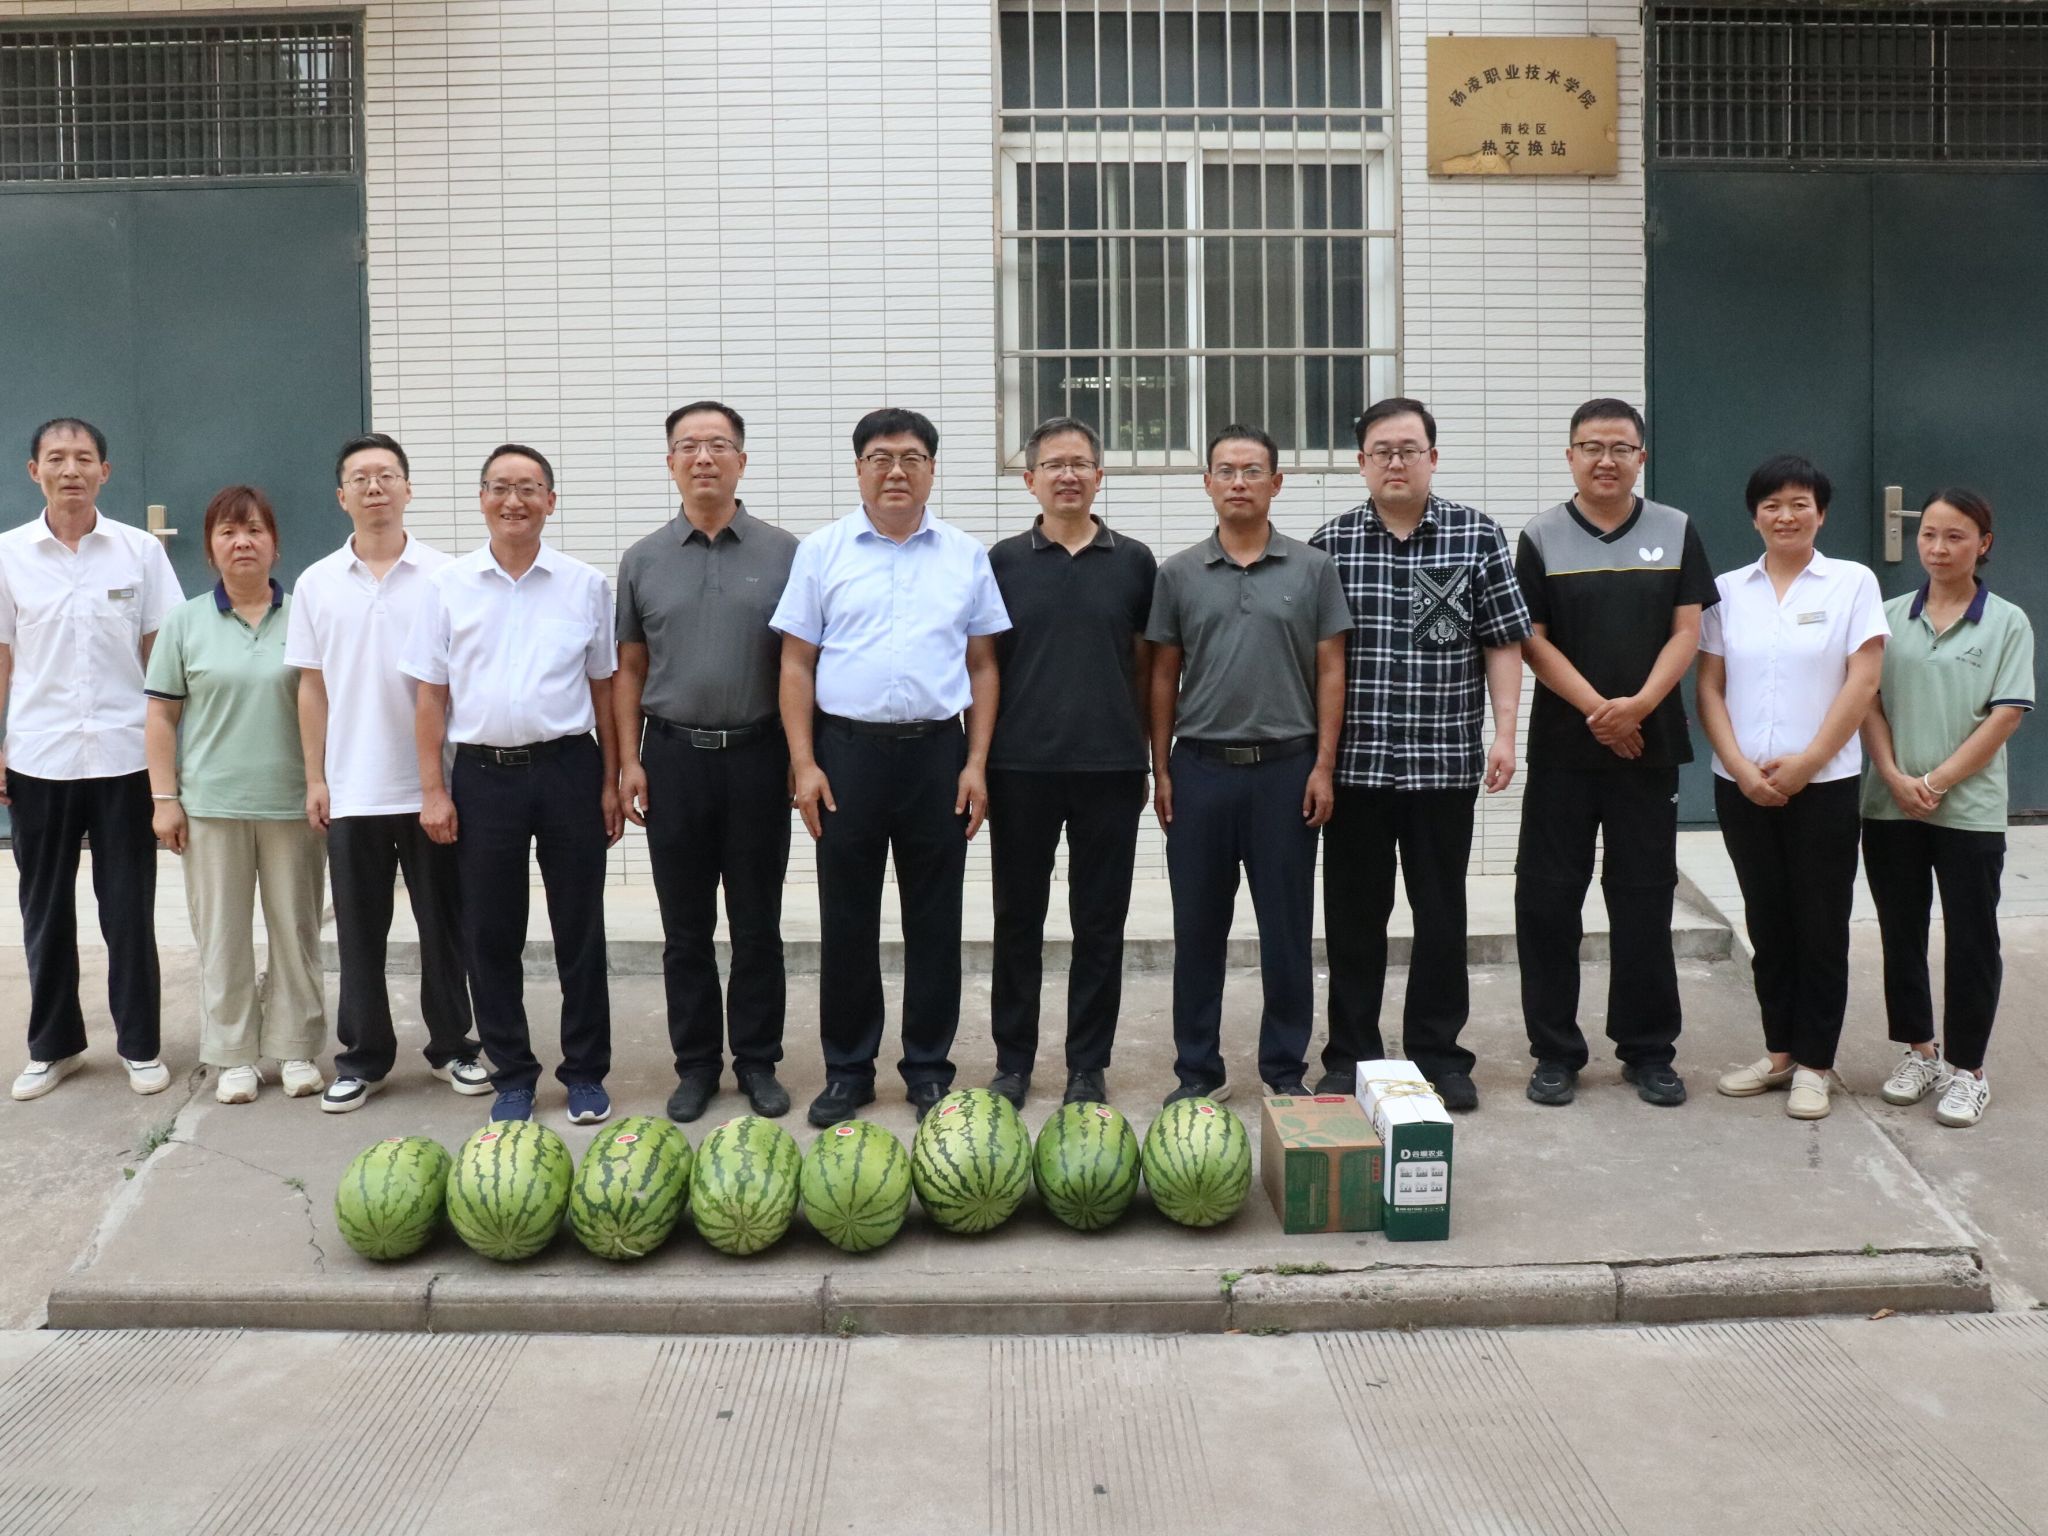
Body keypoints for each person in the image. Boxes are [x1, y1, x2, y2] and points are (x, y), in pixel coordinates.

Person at [772, 407, 1010, 1127]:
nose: (896, 471)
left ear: (932, 469)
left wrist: (976, 762)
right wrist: (804, 763)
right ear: (859, 469)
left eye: (911, 457)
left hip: (937, 754)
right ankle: (848, 1071)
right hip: (846, 756)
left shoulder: (965, 555)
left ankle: (929, 1068)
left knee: (935, 918)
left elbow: (983, 664)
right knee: (847, 918)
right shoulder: (822, 552)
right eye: (880, 457)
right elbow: (796, 662)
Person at [1310, 398, 1530, 1111]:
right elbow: (1318, 661)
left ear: (1433, 457)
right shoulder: (1331, 544)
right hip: (1357, 770)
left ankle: (1439, 1054)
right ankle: (1350, 1054)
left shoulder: (1476, 535)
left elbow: (1502, 641)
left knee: (1441, 917)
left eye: (1409, 449)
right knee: (1353, 920)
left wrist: (1505, 735)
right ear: (1361, 463)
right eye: (1382, 451)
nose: (1396, 462)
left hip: (1443, 766)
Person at [403, 444, 623, 1126]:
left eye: (528, 488)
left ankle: (585, 1072)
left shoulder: (585, 584)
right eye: (500, 487)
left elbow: (605, 687)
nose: (514, 501)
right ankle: (513, 1076)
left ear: (550, 501)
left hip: (569, 769)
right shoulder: (447, 586)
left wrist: (613, 779)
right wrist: (433, 790)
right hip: (482, 777)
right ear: (482, 500)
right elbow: (430, 696)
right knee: (491, 933)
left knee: (579, 927)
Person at [1514, 399, 1717, 1109]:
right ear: (1570, 455)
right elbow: (1531, 639)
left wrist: (1638, 707)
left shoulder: (1676, 529)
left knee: (1643, 899)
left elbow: (1687, 631)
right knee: (1548, 901)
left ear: (1641, 457)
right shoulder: (1540, 535)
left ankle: (1649, 1050)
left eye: (1620, 448)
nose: (1606, 460)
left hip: (1648, 749)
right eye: (1591, 447)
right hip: (1564, 750)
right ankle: (1555, 1052)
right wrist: (1601, 713)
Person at [1147, 424, 1351, 1104]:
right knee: (1198, 930)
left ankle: (1284, 1070)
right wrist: (1162, 769)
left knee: (1287, 930)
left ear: (1276, 482)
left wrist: (1323, 766)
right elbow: (1163, 676)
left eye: (1253, 470)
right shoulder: (1178, 574)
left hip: (1286, 772)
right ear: (1207, 483)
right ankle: (1197, 1071)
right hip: (1200, 771)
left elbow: (1331, 669)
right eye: (1226, 471)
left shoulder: (1313, 569)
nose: (1239, 482)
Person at [288, 433, 488, 1112]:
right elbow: (311, 687)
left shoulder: (449, 575)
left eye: (386, 475)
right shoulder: (316, 583)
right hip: (353, 787)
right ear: (340, 495)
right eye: (360, 478)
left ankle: (452, 1046)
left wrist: (452, 781)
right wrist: (316, 778)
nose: (374, 488)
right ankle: (363, 1057)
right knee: (358, 932)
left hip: (436, 786)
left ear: (408, 488)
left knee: (444, 928)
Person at [616, 401, 799, 1124]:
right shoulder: (643, 560)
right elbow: (630, 668)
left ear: (741, 461)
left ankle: (757, 1061)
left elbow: (802, 664)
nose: (703, 458)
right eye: (688, 446)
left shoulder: (787, 554)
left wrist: (803, 756)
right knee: (685, 930)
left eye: (718, 445)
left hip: (759, 757)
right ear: (670, 463)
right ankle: (695, 1065)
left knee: (757, 924)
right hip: (672, 760)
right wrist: (628, 760)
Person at [1700, 455, 1888, 1120]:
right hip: (1741, 787)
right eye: (1772, 505)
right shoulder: (1727, 591)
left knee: (1820, 924)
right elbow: (1710, 688)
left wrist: (1809, 761)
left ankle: (1816, 1064)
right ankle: (1780, 1052)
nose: (1786, 516)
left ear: (1821, 513)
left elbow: (1864, 680)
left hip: (1825, 786)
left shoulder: (1852, 583)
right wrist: (1739, 767)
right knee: (1767, 920)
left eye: (1799, 503)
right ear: (1754, 516)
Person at [4, 419, 182, 1102]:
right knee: (45, 910)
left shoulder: (139, 552)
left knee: (128, 910)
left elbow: (163, 657)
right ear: (35, 471)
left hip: (124, 757)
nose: (70, 470)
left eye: (84, 458)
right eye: (57, 458)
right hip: (39, 757)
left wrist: (173, 762)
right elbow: (2, 658)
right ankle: (54, 1047)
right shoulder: (8, 555)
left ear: (105, 471)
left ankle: (139, 1045)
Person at [986, 416, 1156, 1108]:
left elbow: (1146, 667)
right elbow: (984, 667)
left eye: (1080, 463)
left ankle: (1088, 1064)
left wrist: (1146, 756)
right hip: (1019, 769)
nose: (1067, 475)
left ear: (1099, 476)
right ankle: (1013, 1062)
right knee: (1016, 922)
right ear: (1030, 479)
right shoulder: (1001, 563)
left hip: (1110, 770)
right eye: (1053, 464)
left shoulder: (1135, 561)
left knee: (1100, 926)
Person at [144, 487, 327, 1105]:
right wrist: (164, 799)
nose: (242, 542)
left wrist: (322, 783)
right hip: (212, 807)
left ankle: (296, 1048)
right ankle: (233, 1055)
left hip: (294, 804)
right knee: (222, 936)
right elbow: (161, 716)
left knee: (296, 932)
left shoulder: (305, 615)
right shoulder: (185, 621)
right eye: (227, 532)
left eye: (254, 530)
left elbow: (326, 705)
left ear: (275, 544)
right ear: (210, 549)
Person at [1860, 489, 2032, 1128]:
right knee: (1900, 930)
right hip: (1889, 805)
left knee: (1972, 937)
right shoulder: (1887, 616)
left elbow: (2006, 714)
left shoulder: (2007, 621)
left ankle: (1968, 1070)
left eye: (1955, 536)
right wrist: (1893, 776)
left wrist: (1934, 782)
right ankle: (1920, 1052)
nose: (1938, 548)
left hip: (1968, 810)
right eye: (1929, 534)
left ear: (1983, 544)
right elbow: (1867, 701)